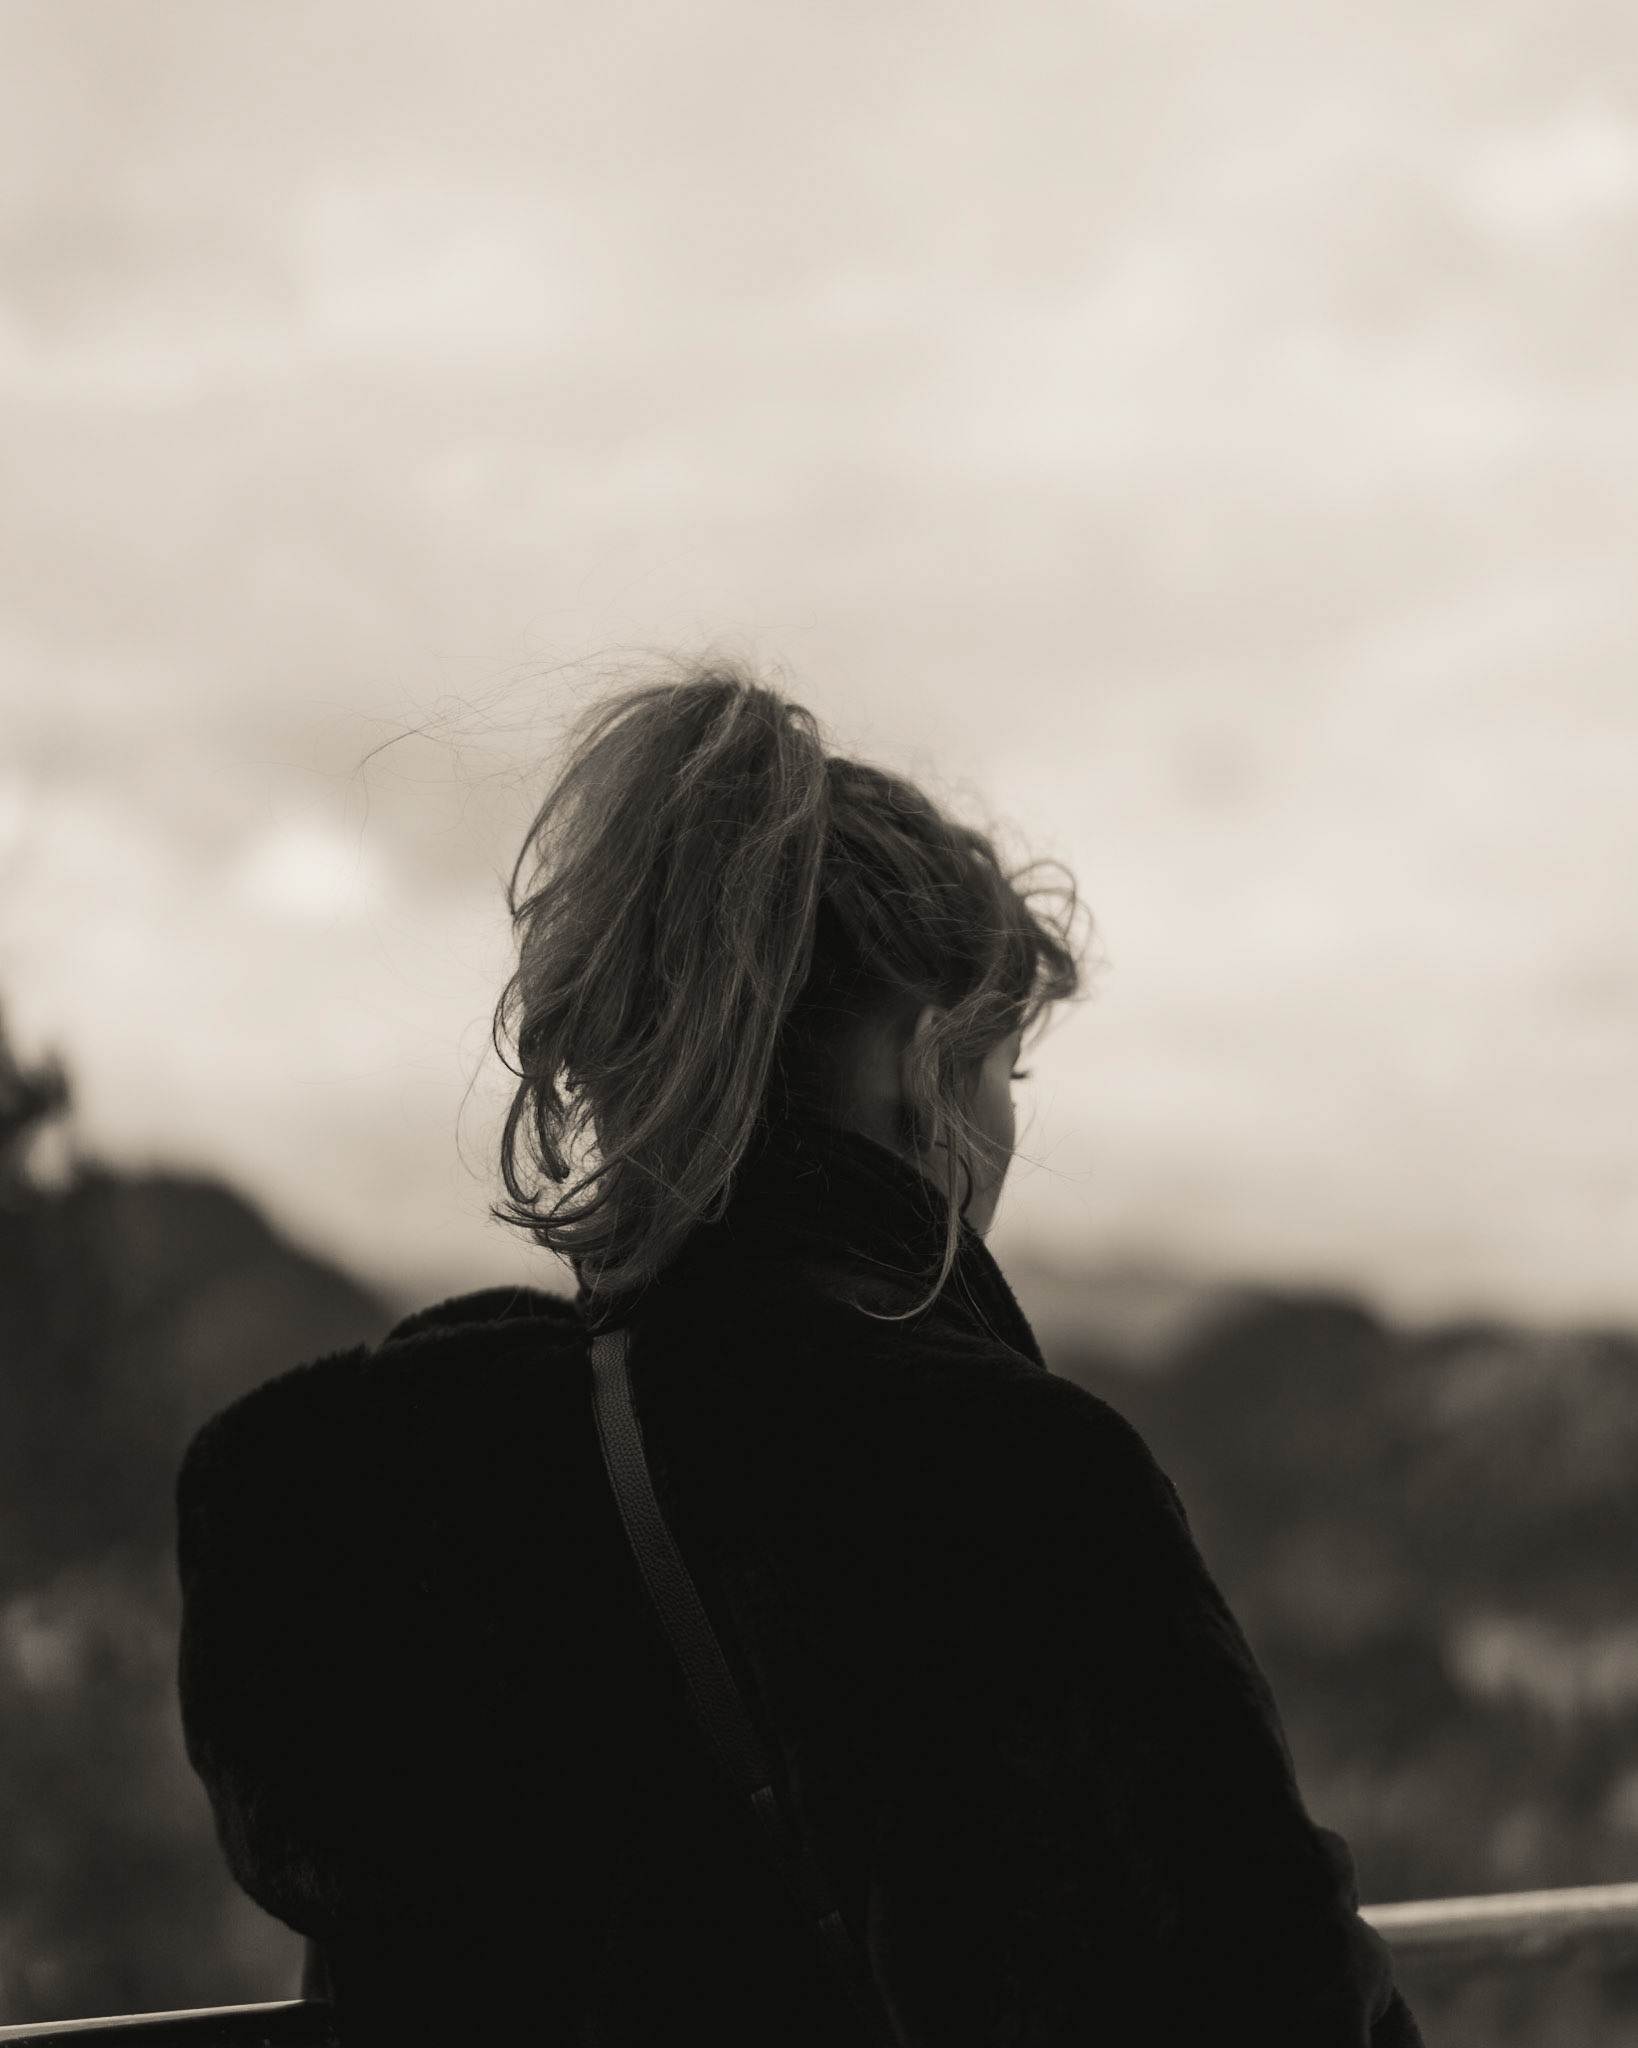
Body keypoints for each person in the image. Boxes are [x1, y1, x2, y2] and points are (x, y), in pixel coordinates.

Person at [176, 666, 1422, 2046]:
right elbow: (1270, 1992)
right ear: (924, 1063)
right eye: (1006, 1072)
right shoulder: (1017, 1484)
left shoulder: (365, 1496)